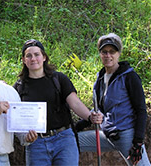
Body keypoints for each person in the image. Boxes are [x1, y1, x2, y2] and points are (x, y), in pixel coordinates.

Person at [13, 39, 103, 166]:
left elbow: (75, 103)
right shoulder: (18, 87)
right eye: (29, 55)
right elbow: (15, 118)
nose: (33, 58)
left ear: (44, 57)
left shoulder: (59, 79)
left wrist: (90, 116)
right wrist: (25, 137)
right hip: (36, 143)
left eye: (37, 54)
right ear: (23, 60)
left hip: (63, 139)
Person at [76, 33, 150, 166]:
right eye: (104, 52)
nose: (108, 55)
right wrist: (76, 127)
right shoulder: (100, 78)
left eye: (112, 52)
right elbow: (99, 109)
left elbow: (141, 111)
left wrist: (138, 142)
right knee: (71, 141)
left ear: (119, 53)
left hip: (127, 136)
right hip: (106, 135)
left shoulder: (129, 77)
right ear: (100, 54)